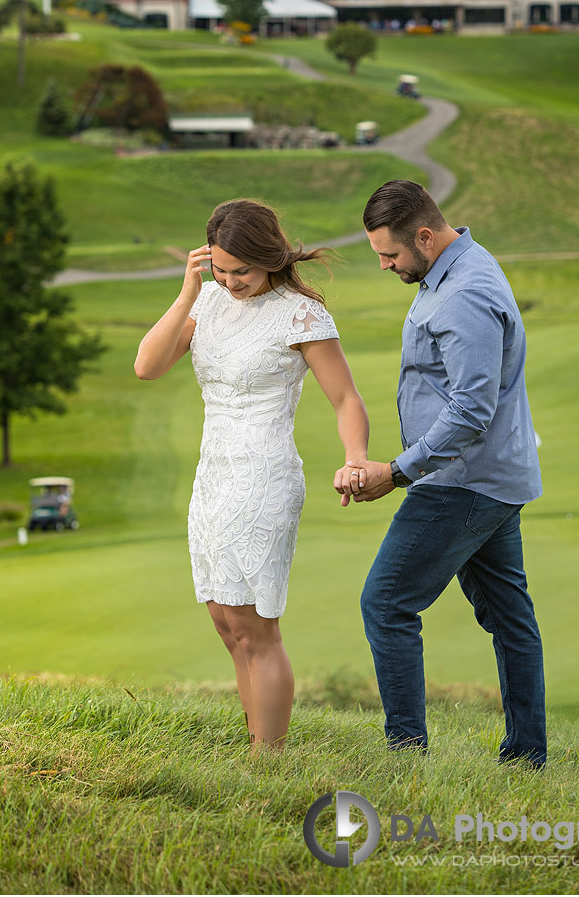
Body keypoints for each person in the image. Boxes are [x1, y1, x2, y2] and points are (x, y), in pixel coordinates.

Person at [135, 199, 368, 752]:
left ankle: (270, 760)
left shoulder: (301, 314)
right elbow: (147, 365)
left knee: (255, 627)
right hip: (213, 472)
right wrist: (190, 292)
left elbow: (346, 398)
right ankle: (256, 744)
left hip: (263, 475)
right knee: (225, 621)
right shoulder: (208, 300)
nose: (231, 280)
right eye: (220, 268)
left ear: (270, 257)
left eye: (242, 270)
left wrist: (356, 457)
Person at [334, 180, 546, 767]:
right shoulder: (466, 261)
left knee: (386, 604)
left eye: (391, 255)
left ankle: (405, 754)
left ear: (425, 237)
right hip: (494, 477)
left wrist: (396, 472)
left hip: (462, 483)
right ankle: (527, 757)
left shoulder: (464, 295)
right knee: (510, 618)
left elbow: (470, 411)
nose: (385, 265)